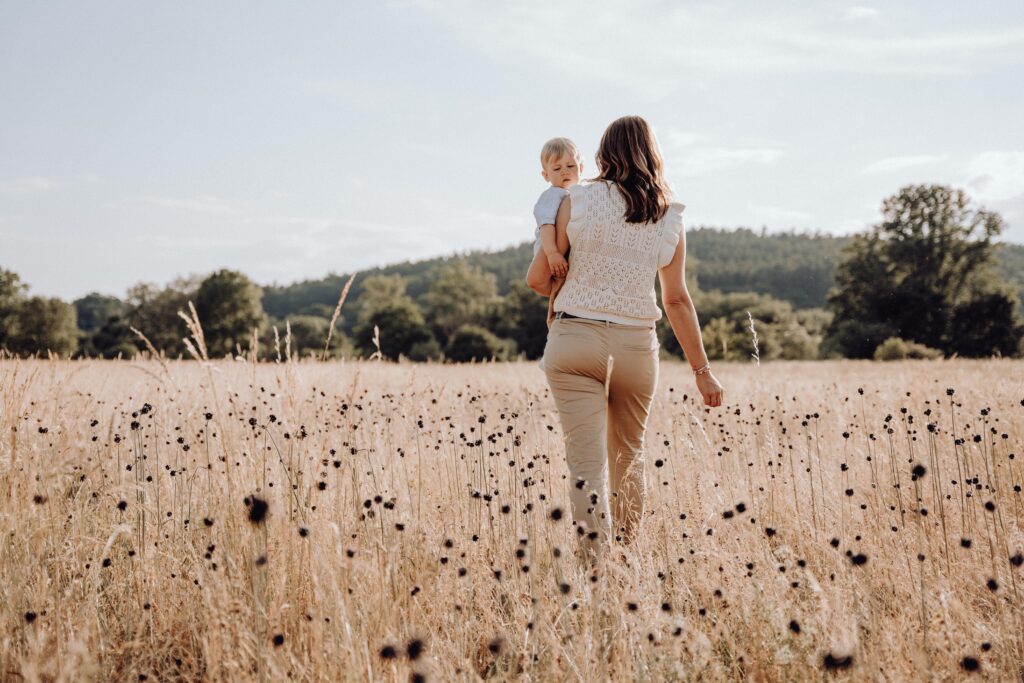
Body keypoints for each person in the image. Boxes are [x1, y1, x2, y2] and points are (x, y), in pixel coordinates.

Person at [526, 115, 724, 556]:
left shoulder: (574, 199)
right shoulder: (668, 214)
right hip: (636, 346)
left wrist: (567, 277)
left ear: (601, 154)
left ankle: (594, 567)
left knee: (586, 461)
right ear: (652, 155)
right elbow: (676, 300)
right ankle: (627, 558)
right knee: (627, 456)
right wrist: (702, 371)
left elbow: (538, 279)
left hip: (574, 338)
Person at [532, 137, 582, 279]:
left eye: (570, 166)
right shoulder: (552, 195)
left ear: (581, 168)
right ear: (546, 175)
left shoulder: (578, 194)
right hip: (548, 249)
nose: (565, 172)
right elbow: (546, 225)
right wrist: (552, 253)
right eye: (557, 168)